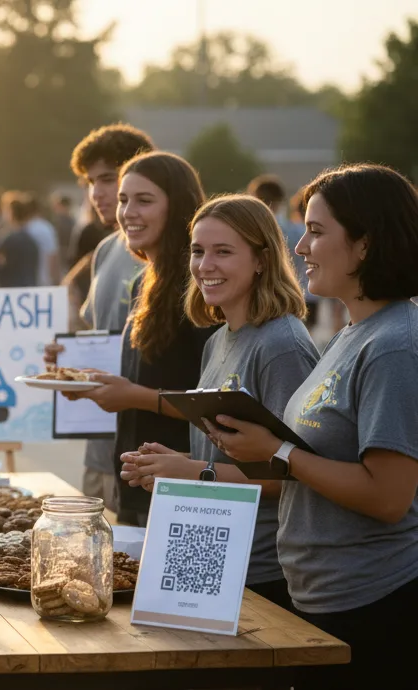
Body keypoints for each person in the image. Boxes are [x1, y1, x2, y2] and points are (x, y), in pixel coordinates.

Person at [201, 164, 418, 689]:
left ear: (365, 244)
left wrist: (277, 451)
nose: (300, 248)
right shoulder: (353, 332)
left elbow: (389, 497)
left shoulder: (393, 345)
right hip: (323, 598)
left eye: (317, 232)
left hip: (374, 603)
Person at [118, 195, 318, 610]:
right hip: (209, 555)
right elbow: (236, 454)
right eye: (197, 251)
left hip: (262, 569)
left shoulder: (282, 343)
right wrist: (171, 463)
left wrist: (195, 471)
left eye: (223, 252)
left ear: (262, 259)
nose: (204, 265)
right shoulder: (217, 341)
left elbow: (294, 476)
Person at [62, 152, 213, 525]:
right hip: (134, 483)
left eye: (144, 200)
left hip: (182, 491)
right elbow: (143, 374)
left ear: (177, 206)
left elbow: (216, 406)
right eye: (125, 200)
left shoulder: (200, 288)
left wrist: (134, 397)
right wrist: (87, 376)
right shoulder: (145, 281)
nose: (128, 211)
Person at [45, 124, 155, 511]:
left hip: (149, 454)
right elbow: (98, 338)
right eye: (90, 182)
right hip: (101, 449)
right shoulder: (106, 250)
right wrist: (68, 363)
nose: (98, 193)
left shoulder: (175, 255)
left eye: (108, 178)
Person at [247, 174, 319, 328]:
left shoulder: (250, 232)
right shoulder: (298, 231)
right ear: (280, 201)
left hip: (264, 298)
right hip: (302, 294)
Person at [0, 191, 40, 288]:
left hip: (10, 288)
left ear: (11, 213)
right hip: (28, 286)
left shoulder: (8, 237)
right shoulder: (31, 238)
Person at [25, 197, 61, 286]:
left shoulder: (24, 228)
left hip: (26, 280)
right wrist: (56, 279)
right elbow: (52, 255)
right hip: (44, 280)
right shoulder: (46, 228)